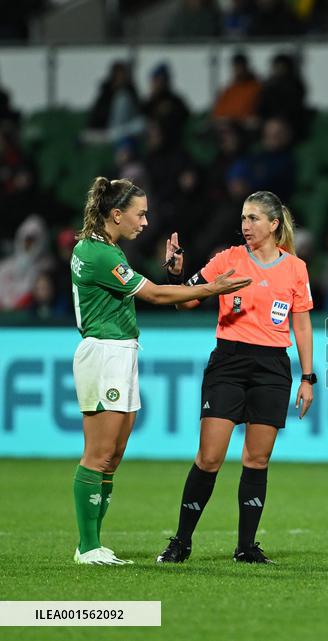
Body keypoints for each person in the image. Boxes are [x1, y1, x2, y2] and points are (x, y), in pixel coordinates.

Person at [71, 177, 251, 565]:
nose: (146, 221)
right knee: (99, 454)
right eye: (140, 213)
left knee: (113, 455)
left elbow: (137, 287)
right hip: (105, 353)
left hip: (118, 351)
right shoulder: (101, 254)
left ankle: (94, 544)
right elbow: (151, 294)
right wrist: (209, 289)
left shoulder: (104, 250)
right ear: (116, 214)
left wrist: (170, 273)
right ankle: (87, 546)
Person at [157, 190, 314, 565]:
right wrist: (176, 274)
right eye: (243, 218)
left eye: (254, 218)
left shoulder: (295, 268)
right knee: (210, 457)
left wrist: (308, 377)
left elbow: (303, 325)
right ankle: (181, 541)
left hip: (273, 367)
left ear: (274, 224)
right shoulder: (227, 259)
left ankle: (246, 547)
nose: (245, 226)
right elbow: (186, 300)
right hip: (229, 361)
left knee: (256, 459)